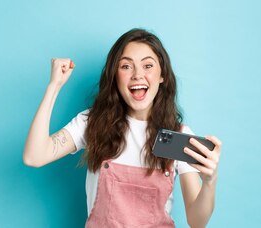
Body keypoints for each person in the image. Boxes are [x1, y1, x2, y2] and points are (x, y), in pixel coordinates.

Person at [23, 28, 222, 228]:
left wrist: (209, 182)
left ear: (162, 75)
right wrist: (54, 86)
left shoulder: (179, 136)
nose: (137, 75)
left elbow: (197, 222)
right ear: (115, 76)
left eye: (148, 66)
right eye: (126, 66)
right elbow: (34, 156)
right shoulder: (92, 123)